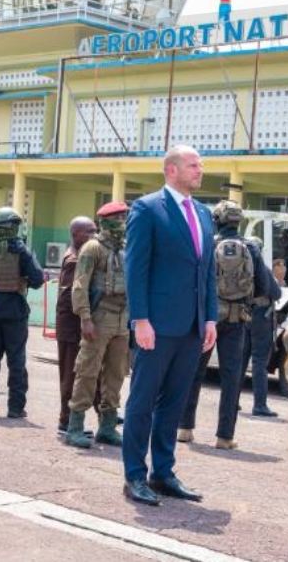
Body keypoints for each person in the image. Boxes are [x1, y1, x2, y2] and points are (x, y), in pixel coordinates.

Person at [122, 144, 217, 506]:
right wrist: (140, 319)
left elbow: (206, 272)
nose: (200, 170)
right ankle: (134, 475)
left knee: (174, 403)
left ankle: (163, 472)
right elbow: (136, 269)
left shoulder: (204, 213)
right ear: (172, 170)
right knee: (143, 401)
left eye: (201, 165)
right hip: (156, 325)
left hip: (192, 326)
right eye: (193, 164)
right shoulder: (147, 209)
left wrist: (209, 316)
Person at [178, 200, 275, 449]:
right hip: (236, 320)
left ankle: (185, 428)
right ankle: (225, 437)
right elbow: (266, 288)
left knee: (195, 372)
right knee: (232, 377)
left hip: (207, 319)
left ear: (217, 220)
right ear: (238, 221)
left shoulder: (208, 244)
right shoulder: (250, 247)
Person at [65, 201, 130, 448]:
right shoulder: (93, 248)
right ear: (105, 221)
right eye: (117, 218)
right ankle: (75, 427)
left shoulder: (127, 248)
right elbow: (80, 285)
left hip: (122, 318)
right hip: (99, 316)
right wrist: (85, 317)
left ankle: (107, 427)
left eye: (124, 218)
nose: (122, 223)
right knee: (88, 371)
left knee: (116, 374)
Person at [0, 207, 44, 418]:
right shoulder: (21, 250)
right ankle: (15, 408)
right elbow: (36, 280)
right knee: (16, 362)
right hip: (15, 312)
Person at [56, 216, 99, 434]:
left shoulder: (80, 255)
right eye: (88, 232)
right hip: (71, 326)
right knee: (70, 375)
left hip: (73, 324)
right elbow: (72, 297)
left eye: (94, 231)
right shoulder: (74, 260)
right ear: (75, 235)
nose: (93, 236)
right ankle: (65, 421)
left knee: (85, 372)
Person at [242, 237, 281, 417]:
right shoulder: (262, 269)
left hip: (243, 316)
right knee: (259, 361)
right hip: (261, 318)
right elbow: (277, 292)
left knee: (240, 361)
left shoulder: (239, 268)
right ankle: (259, 405)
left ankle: (232, 401)